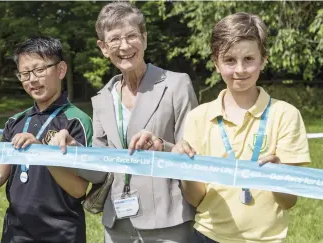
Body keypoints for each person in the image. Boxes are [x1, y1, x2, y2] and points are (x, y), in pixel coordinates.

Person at [53, 2, 199, 242]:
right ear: (103, 47)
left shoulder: (177, 85)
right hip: (117, 222)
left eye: (131, 36)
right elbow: (101, 172)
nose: (124, 46)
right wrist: (73, 150)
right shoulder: (101, 99)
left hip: (168, 221)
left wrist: (161, 145)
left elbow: (192, 154)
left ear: (144, 38)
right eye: (114, 39)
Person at [174, 12, 312, 243]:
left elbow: (289, 201)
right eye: (229, 60)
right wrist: (184, 171)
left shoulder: (286, 115)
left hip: (267, 239)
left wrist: (278, 177)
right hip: (207, 236)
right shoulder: (199, 117)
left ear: (264, 60)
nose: (240, 69)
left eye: (249, 59)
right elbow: (196, 199)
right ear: (216, 63)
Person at [0, 36, 93, 243]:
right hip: (16, 231)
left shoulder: (76, 120)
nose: (32, 79)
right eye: (25, 74)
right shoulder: (15, 122)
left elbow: (78, 190)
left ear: (60, 70)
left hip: (62, 232)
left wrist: (41, 153)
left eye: (39, 70)